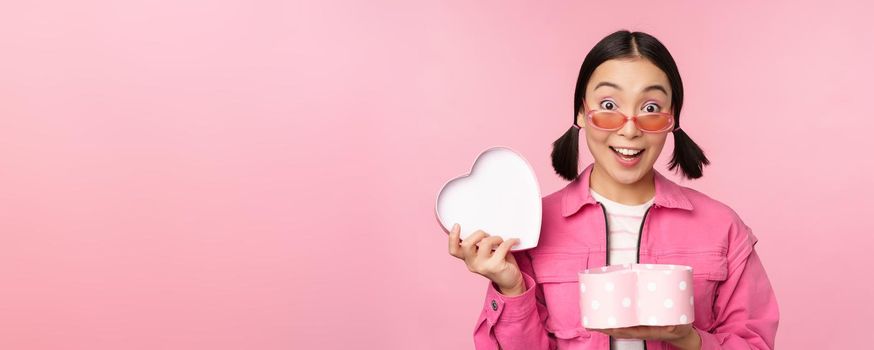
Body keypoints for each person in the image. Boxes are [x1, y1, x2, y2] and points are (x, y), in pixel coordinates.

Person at [446, 29, 779, 350]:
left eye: (650, 108)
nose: (630, 129)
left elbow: (754, 343)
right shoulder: (532, 227)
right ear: (580, 111)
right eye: (608, 105)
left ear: (672, 118)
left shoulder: (722, 228)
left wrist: (687, 339)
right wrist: (511, 286)